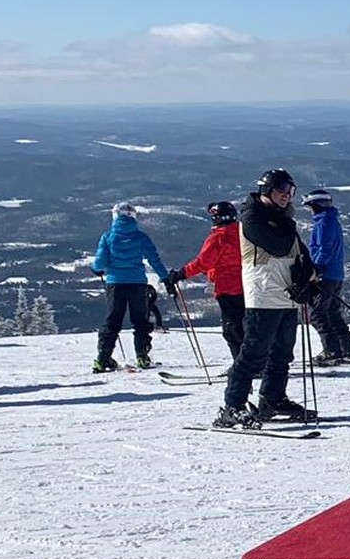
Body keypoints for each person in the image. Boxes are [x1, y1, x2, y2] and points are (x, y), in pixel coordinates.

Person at [214, 168, 315, 428]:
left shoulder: (282, 218)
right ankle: (232, 405)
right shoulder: (252, 218)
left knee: (282, 354)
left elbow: (299, 252)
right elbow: (279, 246)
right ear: (266, 189)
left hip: (286, 293)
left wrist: (308, 275)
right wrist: (287, 223)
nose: (287, 195)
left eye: (291, 190)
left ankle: (272, 398)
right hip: (263, 294)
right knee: (253, 353)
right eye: (282, 189)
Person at [90, 201, 172, 372]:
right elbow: (154, 259)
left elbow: (100, 263)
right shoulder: (141, 237)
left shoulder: (108, 237)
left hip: (115, 284)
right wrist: (166, 278)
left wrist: (96, 269)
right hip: (137, 284)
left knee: (112, 321)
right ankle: (142, 356)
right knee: (140, 321)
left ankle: (103, 359)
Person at [166, 201, 246, 359]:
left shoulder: (219, 237)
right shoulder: (243, 233)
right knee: (245, 326)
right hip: (248, 285)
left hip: (227, 287)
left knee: (232, 330)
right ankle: (256, 362)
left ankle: (243, 365)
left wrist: (181, 274)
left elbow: (203, 262)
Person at [304, 188, 350, 364]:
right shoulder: (332, 220)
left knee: (318, 315)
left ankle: (332, 351)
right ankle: (347, 349)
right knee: (332, 313)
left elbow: (324, 249)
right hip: (335, 275)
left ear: (316, 205)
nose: (308, 210)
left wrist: (317, 269)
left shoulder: (324, 222)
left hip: (325, 276)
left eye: (309, 206)